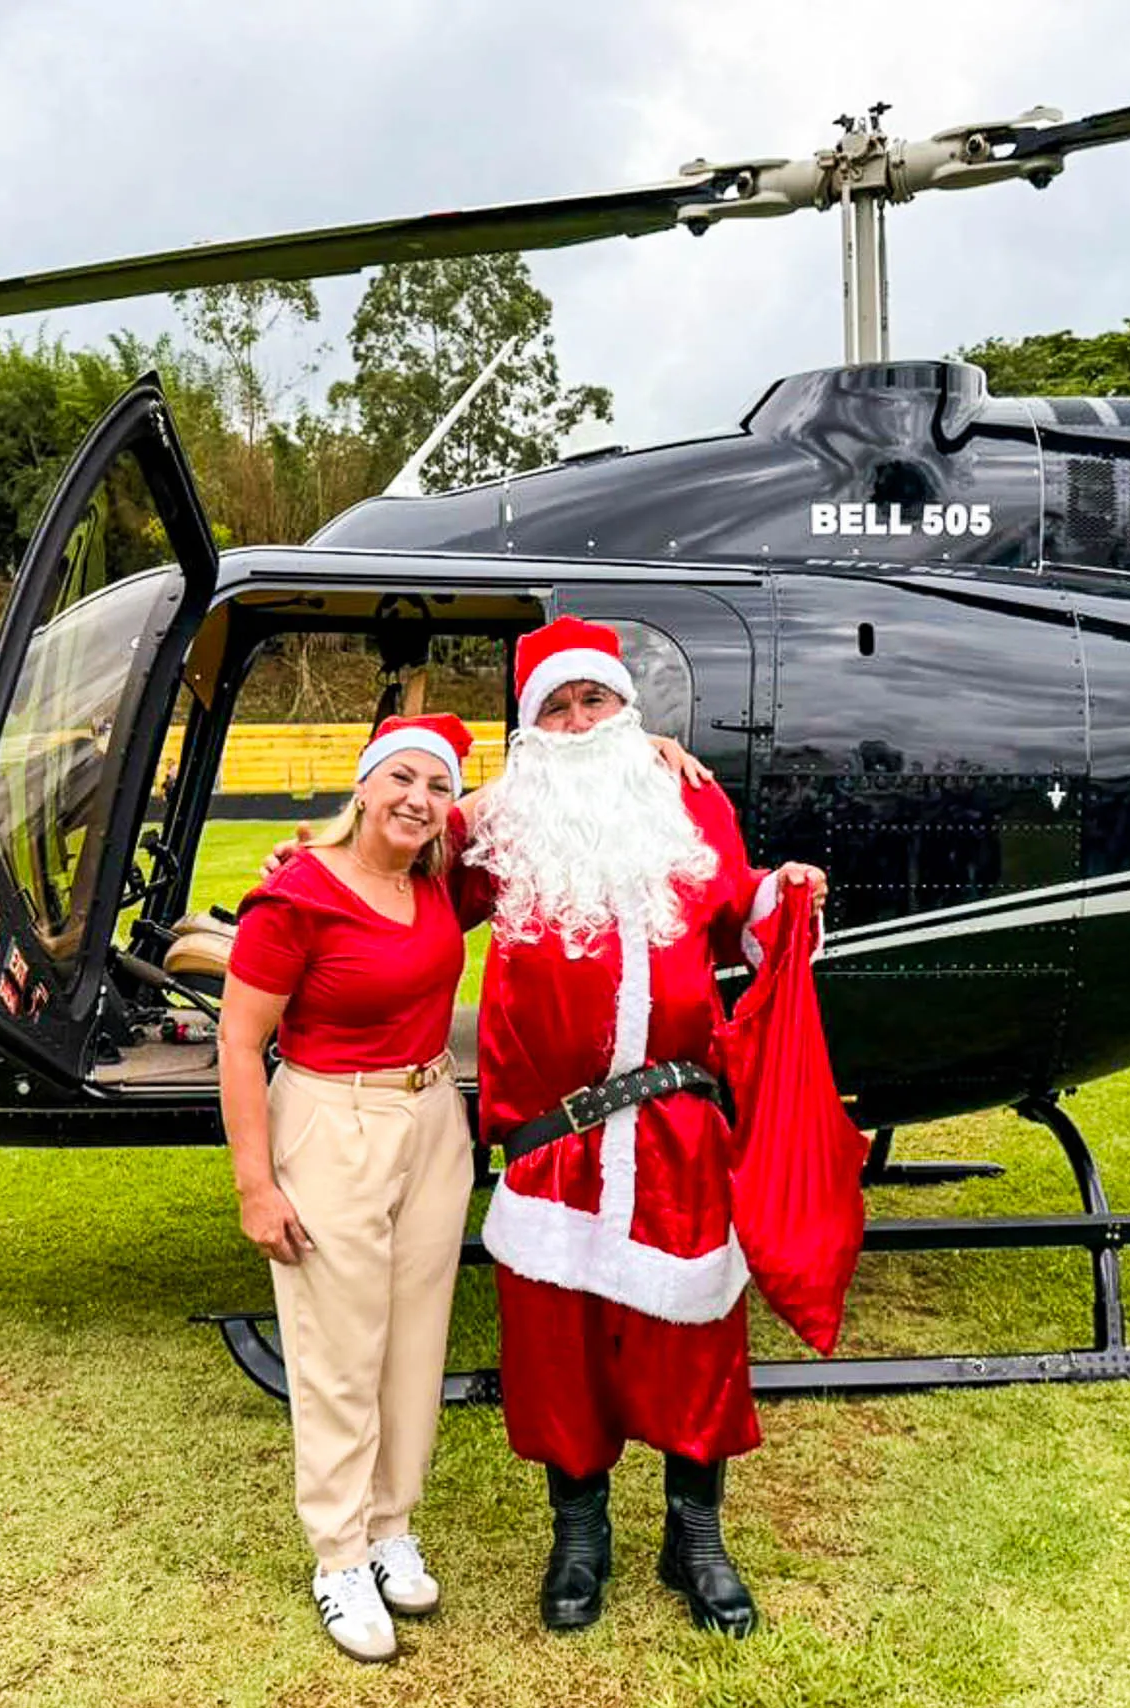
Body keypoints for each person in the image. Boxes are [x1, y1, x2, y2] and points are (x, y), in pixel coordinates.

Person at [459, 617, 826, 1640]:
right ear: (531, 730)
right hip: (553, 1143)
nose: (580, 722)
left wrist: (781, 895)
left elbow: (736, 907)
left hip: (674, 1131)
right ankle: (580, 1536)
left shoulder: (685, 795)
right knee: (559, 1349)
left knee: (691, 1343)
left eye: (596, 701)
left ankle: (694, 1535)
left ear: (628, 708)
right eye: (557, 708)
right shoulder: (500, 821)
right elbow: (402, 875)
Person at [219, 713, 483, 1664]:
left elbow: (537, 788)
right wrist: (257, 1185)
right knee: (339, 1345)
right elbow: (240, 1043)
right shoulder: (297, 895)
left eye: (440, 787)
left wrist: (645, 741)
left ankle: (388, 1525)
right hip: (333, 1118)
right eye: (401, 779)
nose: (420, 799)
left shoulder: (435, 879)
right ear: (362, 787)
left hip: (430, 1119)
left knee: (415, 1332)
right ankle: (337, 1553)